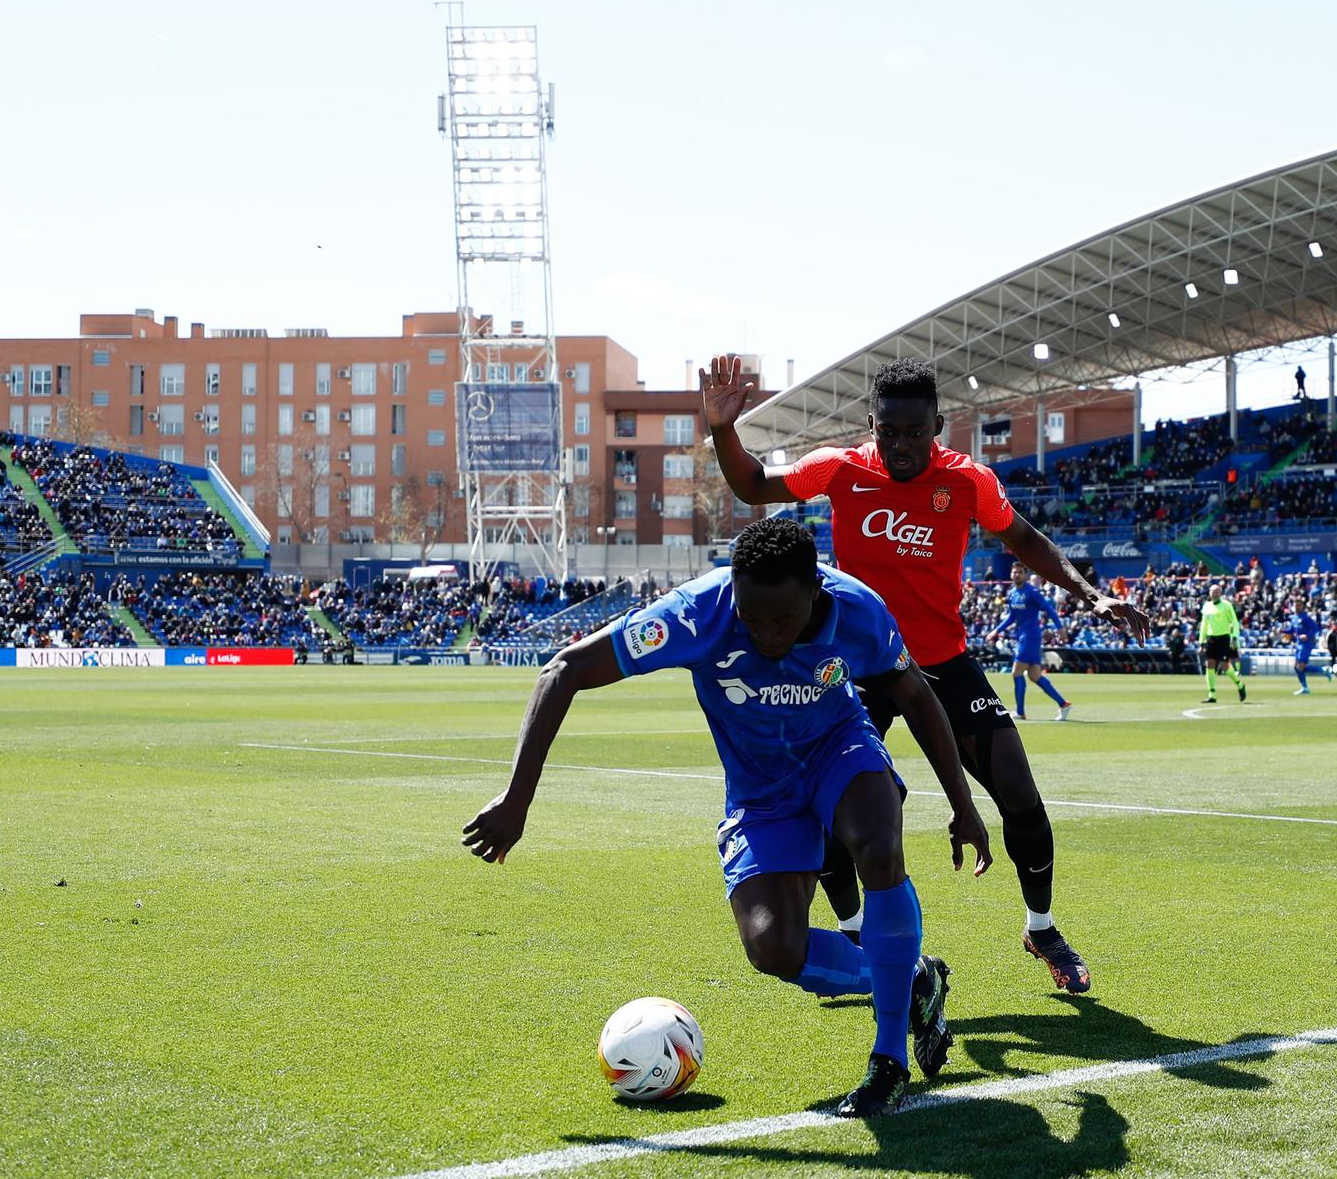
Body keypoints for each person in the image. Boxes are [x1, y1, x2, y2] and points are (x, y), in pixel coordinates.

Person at [461, 518, 996, 1117]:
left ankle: (888, 1059)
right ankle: (911, 976)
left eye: (784, 622)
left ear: (815, 593)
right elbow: (565, 670)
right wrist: (517, 799)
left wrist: (963, 803)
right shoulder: (694, 614)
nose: (767, 635)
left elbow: (916, 695)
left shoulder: (857, 610)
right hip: (761, 793)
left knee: (877, 844)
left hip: (839, 754)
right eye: (752, 617)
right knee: (773, 948)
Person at [701, 354, 1150, 995]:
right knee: (829, 818)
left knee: (1021, 797)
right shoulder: (840, 469)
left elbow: (1023, 539)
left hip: (942, 662)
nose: (903, 446)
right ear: (872, 425)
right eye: (890, 432)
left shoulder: (968, 481)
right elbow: (754, 486)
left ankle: (1041, 927)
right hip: (853, 670)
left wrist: (1091, 594)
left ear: (937, 425)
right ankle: (857, 936)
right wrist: (723, 429)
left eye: (917, 432)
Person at [990, 562, 1071, 721]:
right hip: (1023, 637)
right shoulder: (1012, 593)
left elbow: (1049, 609)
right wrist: (996, 630)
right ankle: (1063, 704)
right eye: (1014, 572)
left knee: (1016, 672)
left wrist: (1060, 628)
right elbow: (1012, 617)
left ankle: (1020, 712)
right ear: (1011, 575)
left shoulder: (1032, 592)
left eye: (1020, 572)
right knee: (1034, 676)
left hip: (1030, 637)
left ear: (1025, 575)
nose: (1017, 575)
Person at [1198, 582, 1247, 703]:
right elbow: (1204, 625)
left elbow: (1234, 622)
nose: (1215, 594)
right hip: (1211, 638)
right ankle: (1212, 694)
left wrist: (1235, 638)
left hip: (1224, 638)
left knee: (1225, 666)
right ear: (1209, 593)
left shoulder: (1226, 605)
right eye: (1212, 592)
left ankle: (1240, 684)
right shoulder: (1207, 606)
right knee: (1210, 665)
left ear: (1220, 593)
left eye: (1217, 592)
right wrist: (1201, 642)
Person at [1280, 596, 1328, 694]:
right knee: (1296, 667)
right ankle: (1306, 686)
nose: (1297, 607)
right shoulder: (1294, 618)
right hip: (1298, 644)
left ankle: (1321, 670)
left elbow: (1316, 628)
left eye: (1299, 605)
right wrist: (1282, 630)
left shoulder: (1306, 618)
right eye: (1296, 605)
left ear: (1302, 606)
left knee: (1300, 667)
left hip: (1306, 645)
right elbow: (1292, 630)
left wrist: (1307, 635)